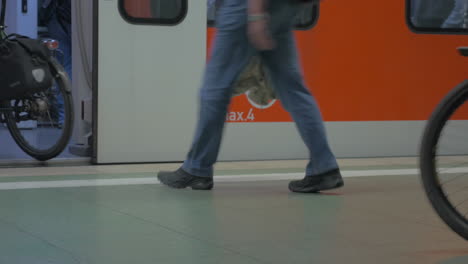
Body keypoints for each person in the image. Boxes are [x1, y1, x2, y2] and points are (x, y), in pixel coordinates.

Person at [157, 0, 343, 193]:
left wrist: (255, 14)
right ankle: (324, 166)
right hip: (284, 8)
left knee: (215, 87)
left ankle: (197, 168)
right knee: (293, 89)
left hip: (245, 7)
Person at [39, 0, 71, 125]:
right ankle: (67, 117)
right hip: (68, 20)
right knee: (70, 67)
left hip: (58, 20)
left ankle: (64, 118)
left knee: (62, 67)